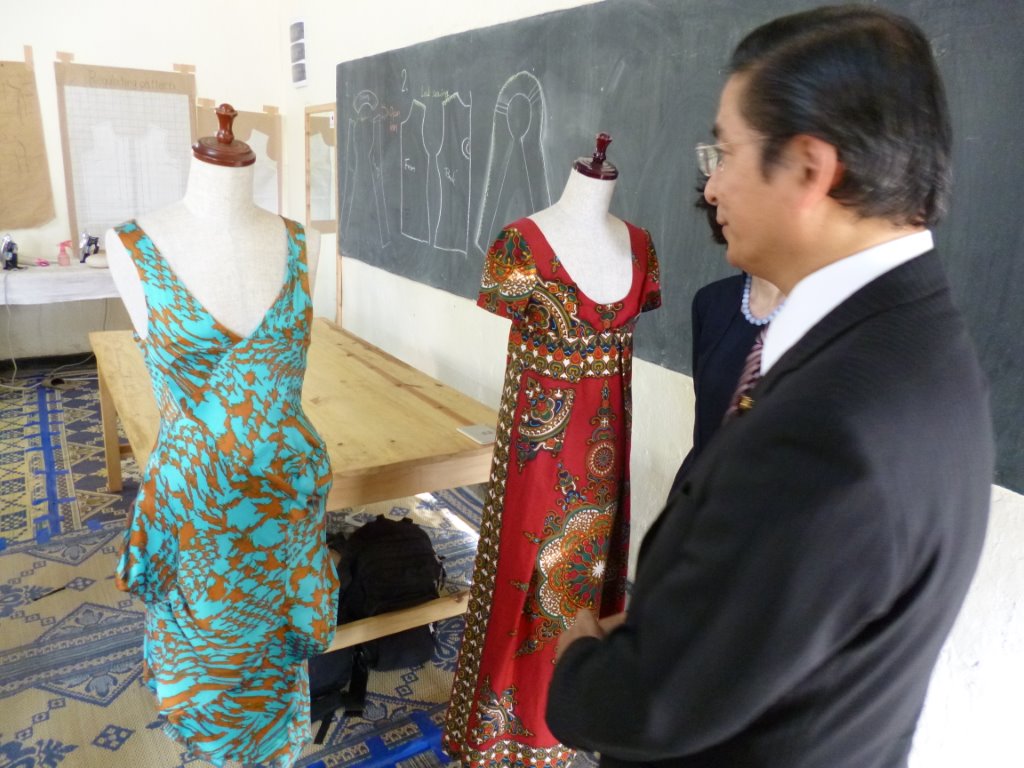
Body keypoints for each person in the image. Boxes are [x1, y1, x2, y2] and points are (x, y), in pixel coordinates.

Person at [546, 6, 994, 767]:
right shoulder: (910, 333)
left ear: (811, 170)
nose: (711, 186)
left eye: (725, 152)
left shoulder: (830, 425)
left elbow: (652, 706)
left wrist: (580, 658)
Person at [105, 104, 338, 767]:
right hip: (195, 511)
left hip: (283, 507)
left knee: (271, 667)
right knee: (206, 676)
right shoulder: (133, 245)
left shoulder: (302, 243)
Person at [444, 135, 661, 768]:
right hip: (536, 459)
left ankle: (567, 720)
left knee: (586, 587)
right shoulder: (519, 244)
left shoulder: (642, 246)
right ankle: (498, 732)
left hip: (604, 458)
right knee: (523, 582)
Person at [669, 179, 785, 489]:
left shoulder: (824, 315)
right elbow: (706, 423)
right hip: (698, 497)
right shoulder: (712, 302)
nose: (713, 192)